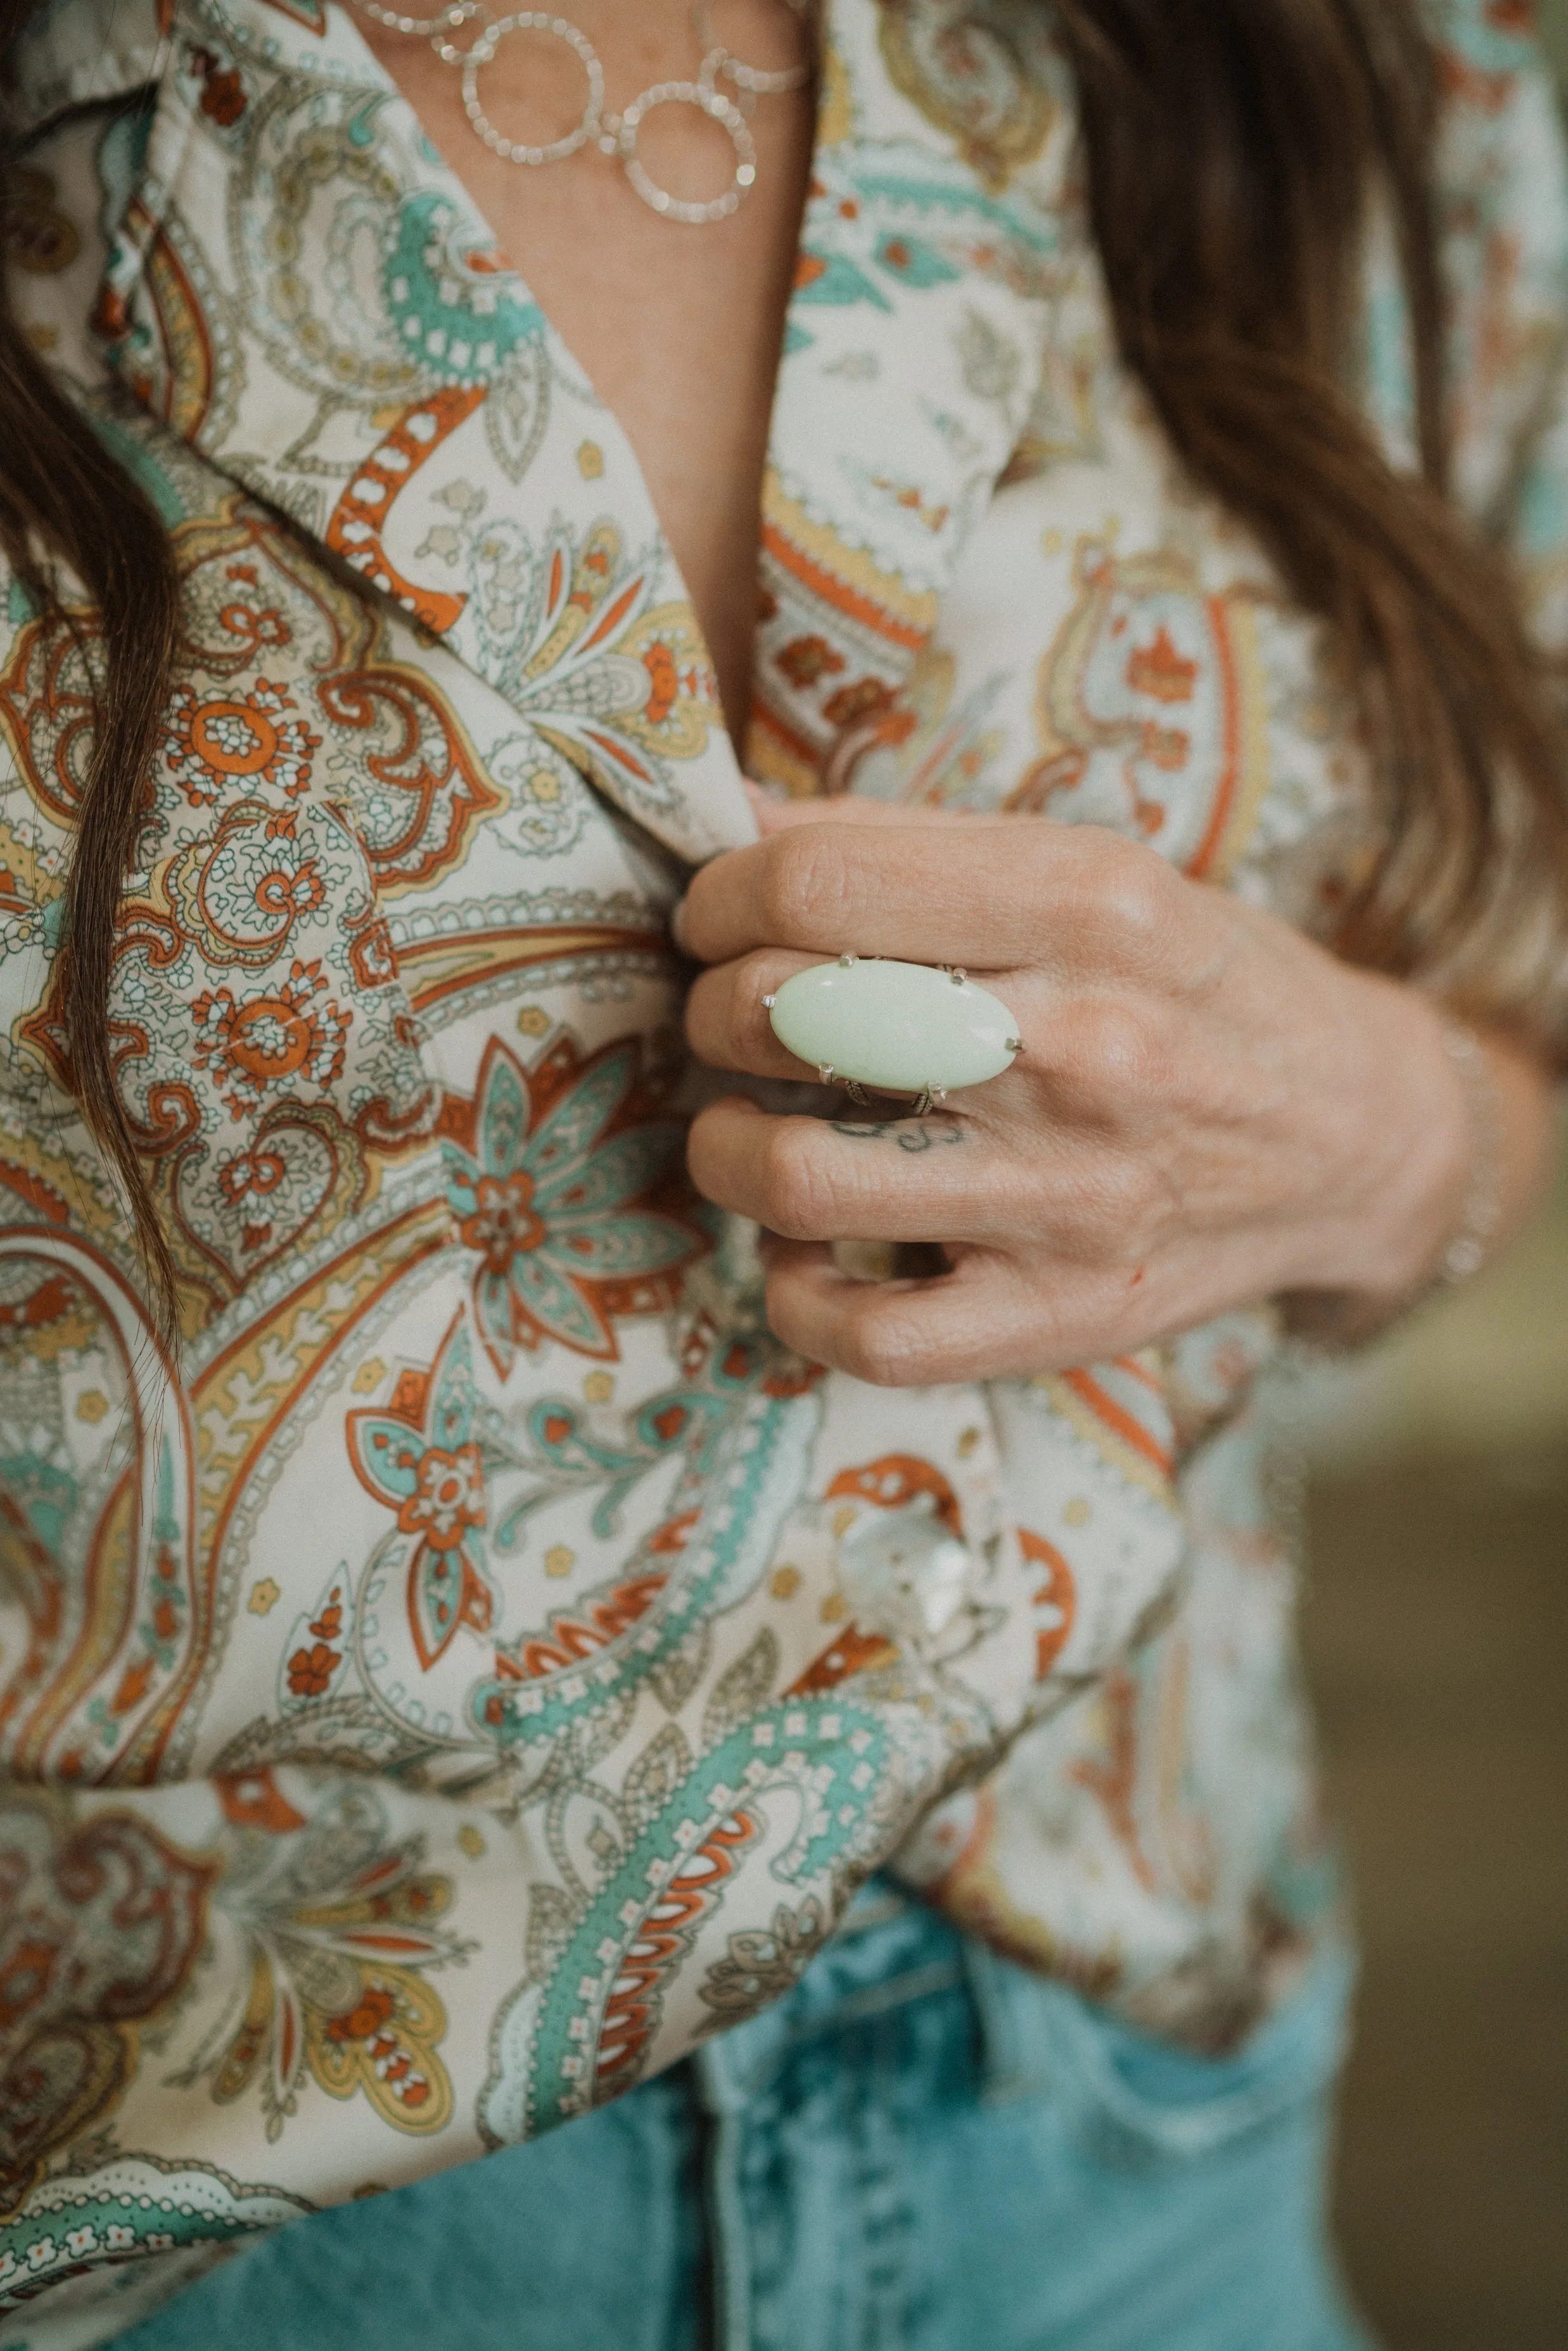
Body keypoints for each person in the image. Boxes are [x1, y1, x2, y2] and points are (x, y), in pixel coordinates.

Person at [0, 0, 1564, 2345]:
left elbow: (1514, 983)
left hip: (1127, 2129)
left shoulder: (1381, 69)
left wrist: (1385, 1132)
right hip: (203, 2211)